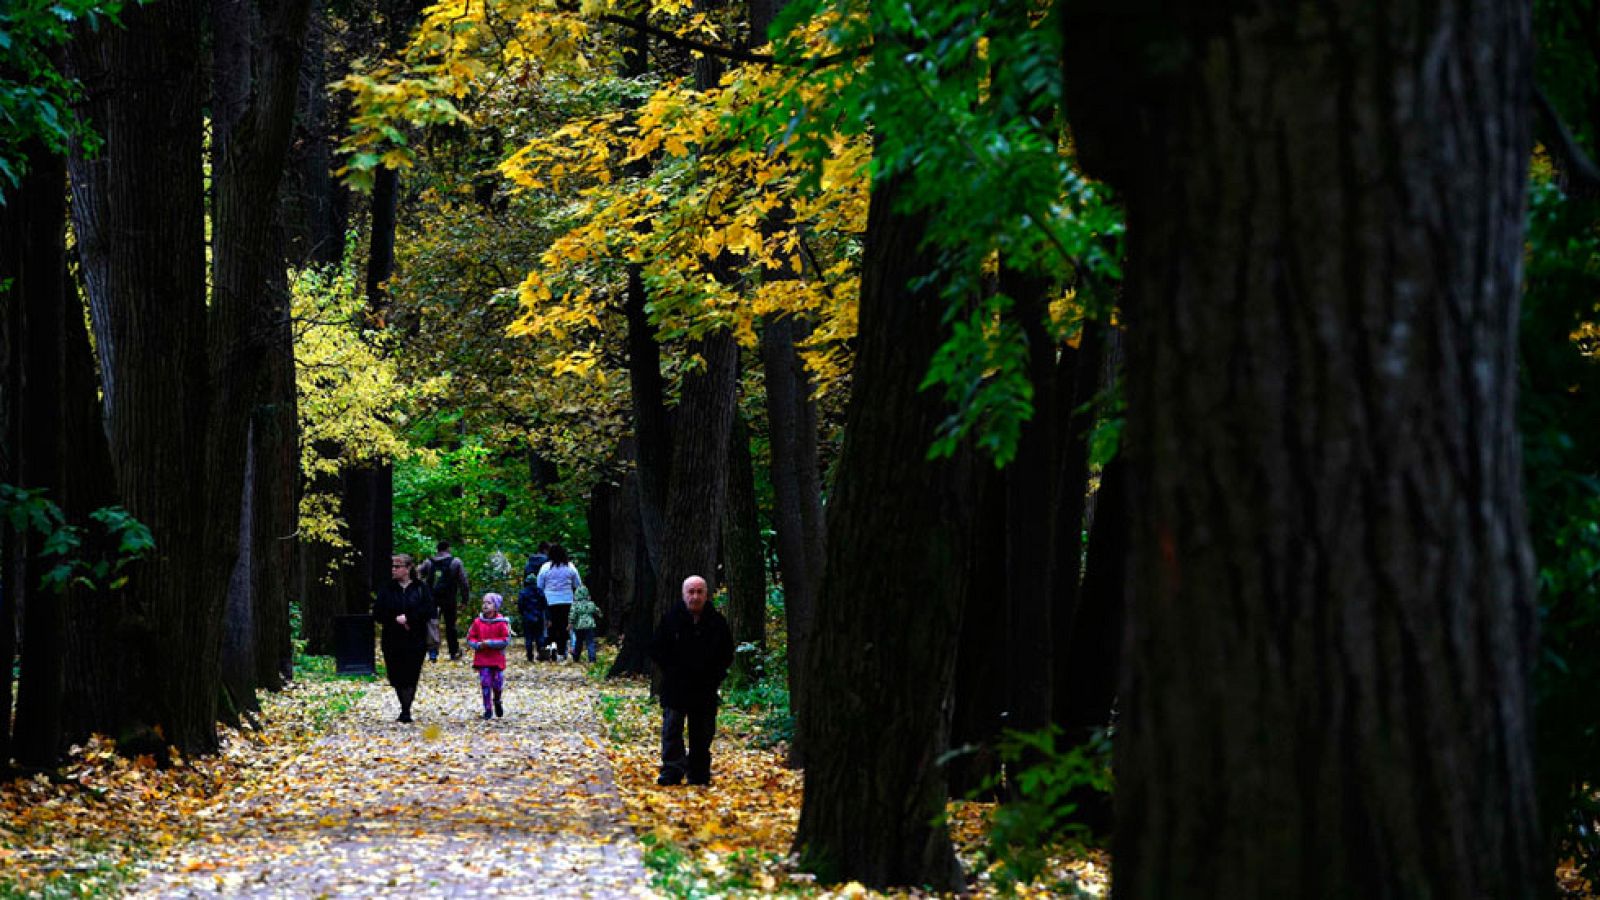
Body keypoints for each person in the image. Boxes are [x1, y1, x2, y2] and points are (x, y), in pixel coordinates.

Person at [648, 575, 734, 786]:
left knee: (702, 733)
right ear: (683, 594)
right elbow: (657, 649)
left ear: (706, 594)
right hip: (676, 686)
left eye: (699, 592)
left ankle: (698, 772)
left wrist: (715, 675)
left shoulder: (717, 622)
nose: (695, 596)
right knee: (672, 730)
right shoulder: (671, 619)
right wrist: (672, 670)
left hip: (705, 688)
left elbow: (726, 653)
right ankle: (672, 770)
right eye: (691, 592)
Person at [372, 553, 436, 723]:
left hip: (416, 638)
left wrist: (410, 618)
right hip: (392, 638)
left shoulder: (421, 588)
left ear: (408, 568)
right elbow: (378, 612)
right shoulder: (387, 588)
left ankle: (406, 710)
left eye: (397, 566)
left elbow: (429, 610)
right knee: (396, 674)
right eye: (392, 566)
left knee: (411, 673)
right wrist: (394, 618)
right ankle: (403, 704)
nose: (394, 569)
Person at [421, 540, 470, 662]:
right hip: (449, 598)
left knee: (432, 624)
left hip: (432, 598)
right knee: (451, 626)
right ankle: (453, 652)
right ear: (448, 549)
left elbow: (416, 575)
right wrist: (464, 600)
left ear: (437, 549)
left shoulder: (428, 562)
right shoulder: (455, 562)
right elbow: (464, 583)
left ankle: (433, 653)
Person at [466, 593, 512, 720]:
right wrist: (477, 645)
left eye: (489, 603)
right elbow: (470, 637)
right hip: (482, 659)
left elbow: (506, 640)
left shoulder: (502, 623)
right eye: (484, 602)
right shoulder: (477, 622)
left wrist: (491, 643)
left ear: (495, 606)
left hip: (497, 659)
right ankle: (488, 709)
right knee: (485, 683)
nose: (485, 605)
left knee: (498, 682)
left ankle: (497, 700)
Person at [535, 544, 583, 662]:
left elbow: (539, 585)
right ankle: (562, 652)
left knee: (551, 627)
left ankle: (550, 650)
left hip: (549, 601)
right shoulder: (570, 567)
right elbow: (578, 584)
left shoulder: (546, 567)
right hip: (566, 601)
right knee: (564, 627)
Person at [516, 574, 547, 662]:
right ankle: (541, 655)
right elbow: (544, 605)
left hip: (527, 617)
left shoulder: (523, 592)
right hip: (538, 616)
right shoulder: (540, 591)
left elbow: (520, 606)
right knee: (539, 636)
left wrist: (524, 614)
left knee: (528, 637)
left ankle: (530, 656)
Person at [570, 585, 601, 664]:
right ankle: (592, 659)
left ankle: (576, 657)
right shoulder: (591, 604)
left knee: (578, 641)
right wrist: (600, 615)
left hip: (579, 626)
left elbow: (572, 615)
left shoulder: (575, 605)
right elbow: (597, 610)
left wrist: (570, 623)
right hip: (590, 625)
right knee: (590, 642)